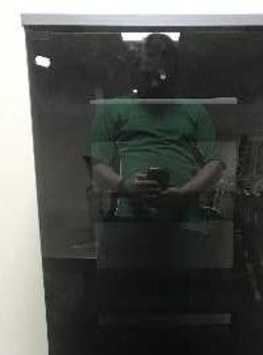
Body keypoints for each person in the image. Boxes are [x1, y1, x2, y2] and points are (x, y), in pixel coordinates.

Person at [84, 33, 225, 221]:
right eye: (147, 75)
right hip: (130, 220)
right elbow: (96, 165)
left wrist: (183, 193)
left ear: (173, 72)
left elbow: (215, 164)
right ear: (137, 71)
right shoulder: (115, 109)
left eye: (161, 75)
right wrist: (125, 186)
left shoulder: (195, 110)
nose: (154, 82)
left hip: (184, 219)